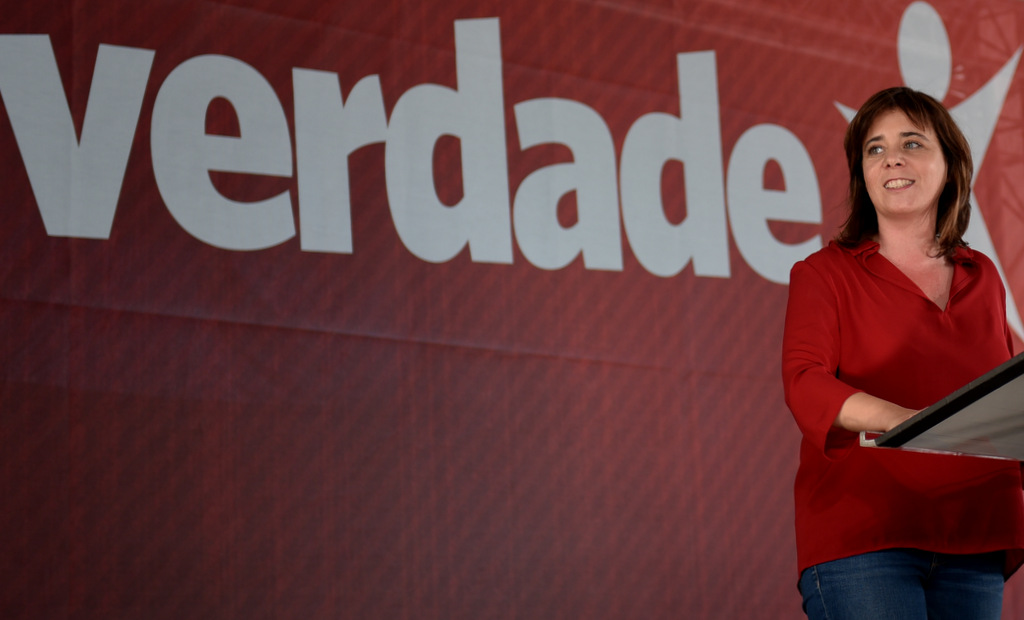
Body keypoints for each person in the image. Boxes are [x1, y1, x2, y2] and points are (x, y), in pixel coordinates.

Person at [782, 86, 1024, 619]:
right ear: (862, 175)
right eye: (875, 148)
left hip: (976, 534)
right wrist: (910, 424)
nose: (891, 157)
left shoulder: (983, 275)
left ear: (950, 165)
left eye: (912, 143)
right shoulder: (824, 274)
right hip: (866, 535)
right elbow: (805, 383)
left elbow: (1005, 401)